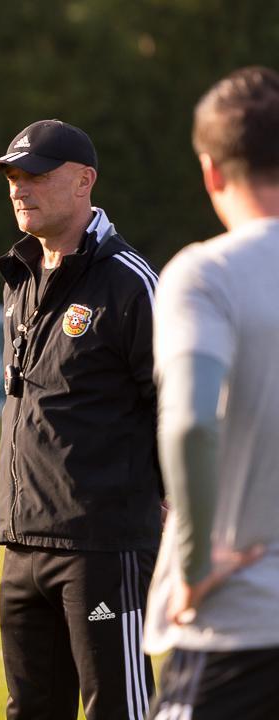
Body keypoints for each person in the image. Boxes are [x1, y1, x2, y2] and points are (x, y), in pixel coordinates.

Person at [0, 120, 163, 719]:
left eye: (35, 175)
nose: (19, 188)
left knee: (120, 707)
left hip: (103, 542)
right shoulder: (19, 276)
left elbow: (175, 400)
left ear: (85, 181)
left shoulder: (129, 281)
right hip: (23, 540)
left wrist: (173, 497)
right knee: (30, 710)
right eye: (12, 177)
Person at [144, 66, 279, 719]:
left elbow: (191, 423)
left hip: (240, 623)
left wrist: (196, 568)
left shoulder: (206, 273)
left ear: (211, 171)